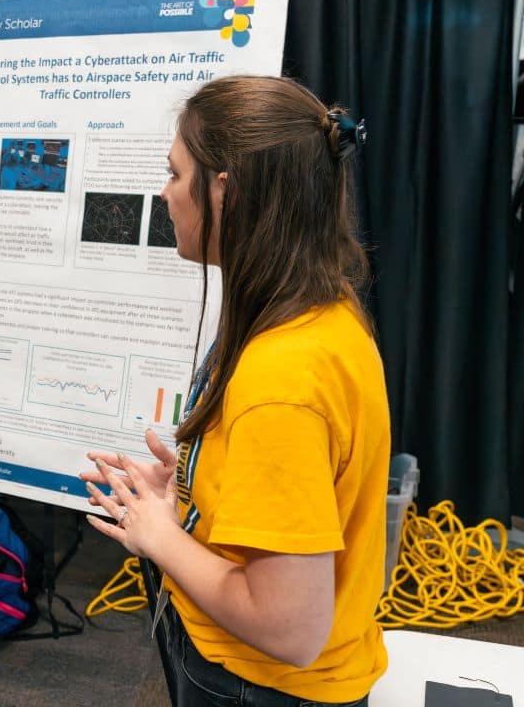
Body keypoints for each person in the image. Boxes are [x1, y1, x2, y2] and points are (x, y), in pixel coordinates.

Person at [83, 75, 388, 706]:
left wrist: (159, 536)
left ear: (227, 189)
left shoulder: (282, 376)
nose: (165, 195)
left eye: (174, 174)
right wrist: (199, 492)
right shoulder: (318, 310)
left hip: (261, 686)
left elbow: (290, 627)